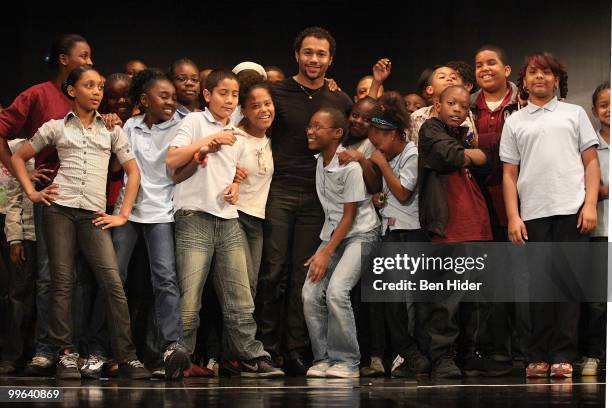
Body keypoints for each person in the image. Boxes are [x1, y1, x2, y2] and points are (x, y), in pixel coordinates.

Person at [10, 66, 149, 380]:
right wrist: (32, 191)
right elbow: (19, 156)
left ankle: (127, 356)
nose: (97, 91)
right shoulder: (56, 127)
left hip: (94, 215)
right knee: (61, 282)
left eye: (99, 86)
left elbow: (134, 171)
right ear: (72, 91)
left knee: (113, 283)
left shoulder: (112, 129)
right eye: (89, 86)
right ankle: (65, 354)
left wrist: (123, 214)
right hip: (59, 209)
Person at [166, 70, 284, 377]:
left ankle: (250, 355)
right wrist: (207, 142)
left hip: (228, 218)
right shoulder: (193, 122)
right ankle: (181, 354)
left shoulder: (236, 130)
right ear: (207, 95)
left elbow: (230, 170)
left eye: (234, 95)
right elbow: (172, 161)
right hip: (194, 216)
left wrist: (234, 182)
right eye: (223, 93)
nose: (229, 100)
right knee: (189, 296)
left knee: (240, 296)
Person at [82, 68, 190, 380]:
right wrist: (112, 128)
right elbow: (118, 165)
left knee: (166, 279)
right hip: (127, 212)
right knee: (114, 279)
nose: (170, 100)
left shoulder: (184, 124)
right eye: (163, 96)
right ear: (144, 100)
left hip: (162, 213)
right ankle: (98, 349)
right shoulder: (131, 125)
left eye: (172, 96)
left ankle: (172, 346)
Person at [256, 26, 352, 375]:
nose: (314, 59)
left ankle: (297, 349)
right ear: (297, 54)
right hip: (279, 191)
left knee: (304, 275)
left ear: (331, 59)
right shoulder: (276, 92)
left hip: (318, 198)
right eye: (308, 52)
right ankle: (266, 349)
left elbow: (347, 142)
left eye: (321, 54)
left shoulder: (339, 99)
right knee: (272, 271)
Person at [500, 52, 600, 378]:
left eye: (546, 72)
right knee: (539, 287)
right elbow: (509, 174)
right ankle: (537, 354)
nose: (539, 77)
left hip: (571, 210)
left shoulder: (574, 114)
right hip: (533, 214)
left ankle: (563, 355)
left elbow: (590, 162)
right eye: (533, 73)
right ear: (524, 81)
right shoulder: (514, 120)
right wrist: (514, 217)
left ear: (556, 79)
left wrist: (588, 205)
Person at [0, 33, 93, 376]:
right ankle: (45, 349)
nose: (89, 62)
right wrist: (21, 172)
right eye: (84, 56)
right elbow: (4, 130)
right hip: (51, 195)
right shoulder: (39, 95)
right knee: (46, 276)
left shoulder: (87, 94)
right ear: (64, 60)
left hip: (85, 197)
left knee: (77, 277)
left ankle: (75, 348)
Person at [418, 85, 496, 378]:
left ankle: (469, 352)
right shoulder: (430, 129)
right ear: (437, 104)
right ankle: (442, 356)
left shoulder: (463, 136)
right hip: (449, 227)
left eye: (463, 106)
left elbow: (489, 162)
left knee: (478, 296)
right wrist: (473, 155)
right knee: (447, 297)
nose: (456, 109)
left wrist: (476, 155)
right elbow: (449, 156)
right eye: (450, 103)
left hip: (478, 224)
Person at [302, 107, 380, 378]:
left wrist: (325, 253)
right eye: (309, 126)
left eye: (317, 127)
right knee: (310, 294)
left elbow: (350, 216)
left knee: (337, 291)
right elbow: (333, 216)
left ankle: (347, 361)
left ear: (337, 133)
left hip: (361, 233)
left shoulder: (349, 166)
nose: (310, 131)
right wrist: (326, 248)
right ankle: (323, 358)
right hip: (332, 234)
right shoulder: (318, 162)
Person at [579, 81, 610, 376]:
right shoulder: (590, 147)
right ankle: (593, 354)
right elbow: (589, 187)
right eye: (604, 104)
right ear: (595, 110)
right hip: (601, 231)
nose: (609, 109)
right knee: (598, 301)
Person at [234, 77, 275, 299]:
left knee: (252, 285)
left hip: (257, 221)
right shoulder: (235, 138)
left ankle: (243, 334)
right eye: (255, 105)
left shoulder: (272, 140)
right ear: (244, 110)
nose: (264, 110)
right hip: (235, 218)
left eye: (267, 103)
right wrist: (229, 175)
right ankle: (242, 335)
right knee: (242, 285)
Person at [0, 139, 36, 375]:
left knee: (49, 294)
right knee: (17, 295)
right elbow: (13, 198)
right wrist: (15, 239)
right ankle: (13, 355)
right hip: (26, 234)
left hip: (56, 232)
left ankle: (40, 354)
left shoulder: (55, 139)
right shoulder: (16, 148)